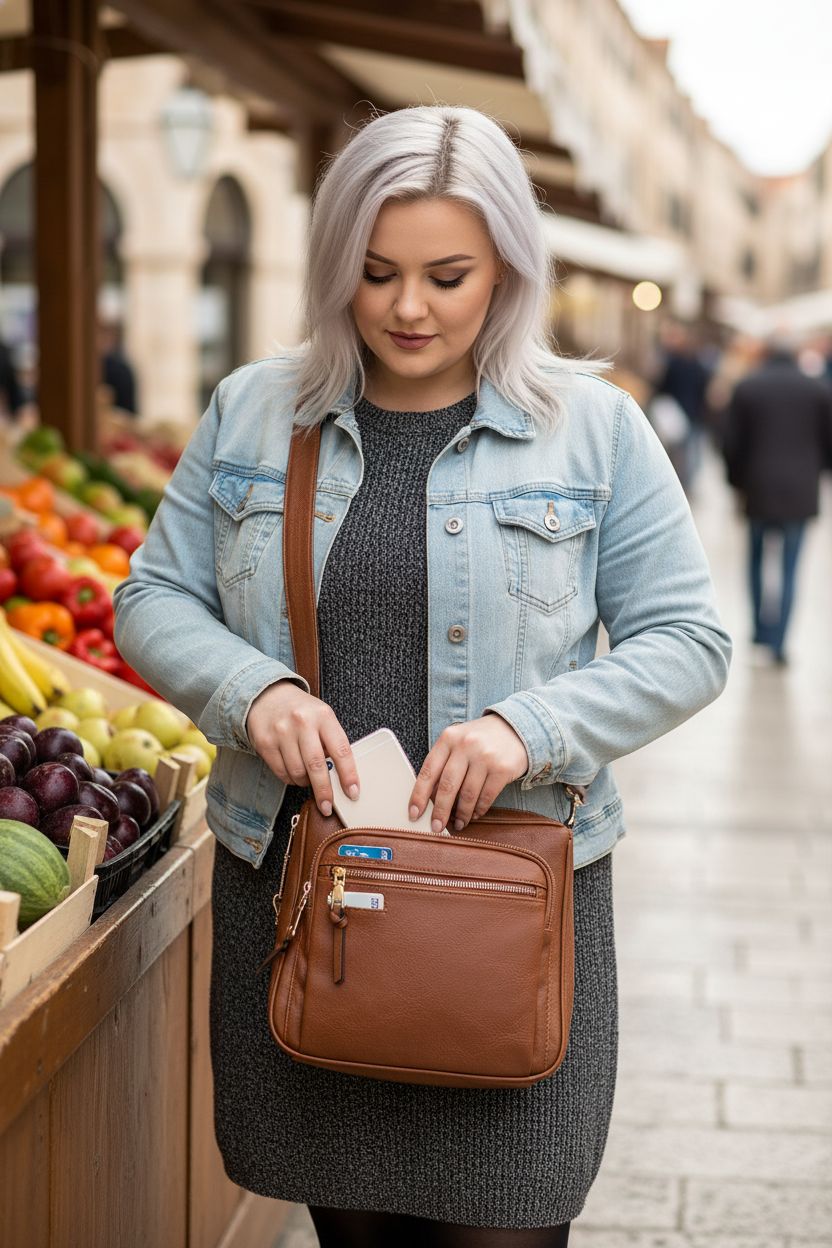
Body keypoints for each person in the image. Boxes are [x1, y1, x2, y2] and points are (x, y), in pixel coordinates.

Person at [112, 105, 731, 1247]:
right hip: (311, 907)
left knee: (509, 1225)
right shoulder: (254, 410)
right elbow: (150, 596)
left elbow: (689, 641)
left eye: (447, 275)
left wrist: (527, 728)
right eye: (375, 271)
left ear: (508, 266)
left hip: (510, 913)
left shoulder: (592, 431)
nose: (407, 307)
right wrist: (255, 693)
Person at [722, 337, 832, 665]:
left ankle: (759, 631)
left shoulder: (747, 387)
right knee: (789, 567)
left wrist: (736, 481)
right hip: (800, 490)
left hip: (758, 487)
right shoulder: (817, 390)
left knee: (756, 561)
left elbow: (731, 443)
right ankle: (779, 642)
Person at [652, 321, 712, 492]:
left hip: (677, 412)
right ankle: (686, 485)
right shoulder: (697, 363)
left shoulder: (671, 363)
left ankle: (678, 485)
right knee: (689, 452)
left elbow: (660, 387)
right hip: (693, 412)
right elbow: (704, 387)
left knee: (677, 451)